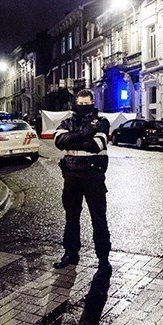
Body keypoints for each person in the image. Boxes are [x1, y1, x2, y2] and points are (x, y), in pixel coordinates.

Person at [53, 89, 112, 275]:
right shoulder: (67, 121)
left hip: (93, 175)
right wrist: (86, 132)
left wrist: (72, 138)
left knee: (98, 218)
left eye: (87, 104)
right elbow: (58, 141)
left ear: (93, 103)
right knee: (71, 217)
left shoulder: (102, 121)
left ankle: (103, 259)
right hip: (71, 175)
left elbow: (96, 145)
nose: (84, 107)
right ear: (76, 103)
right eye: (81, 104)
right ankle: (70, 254)